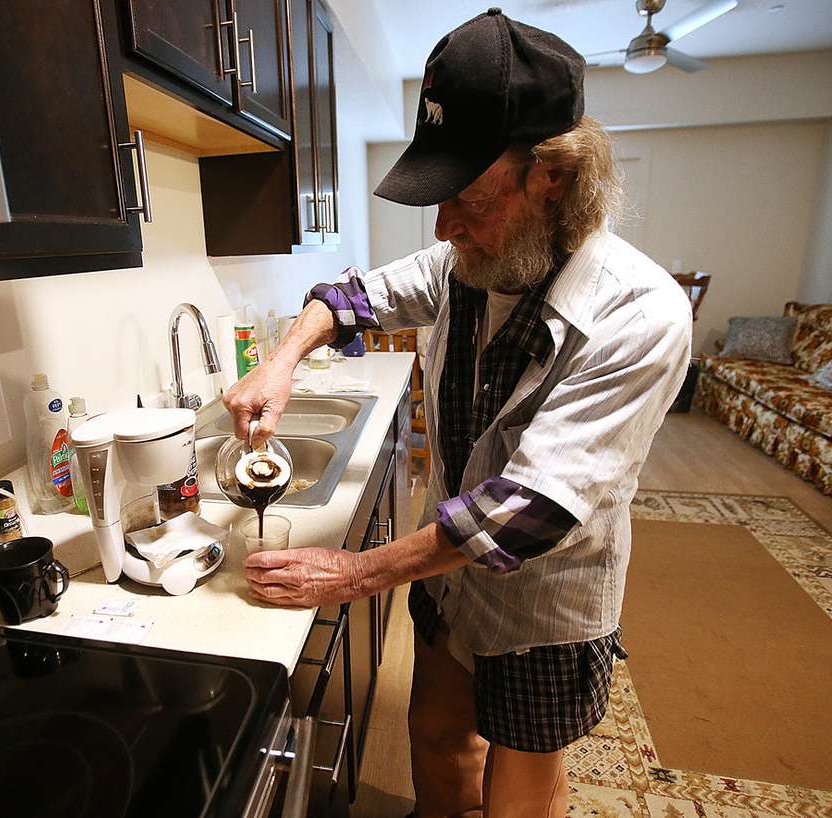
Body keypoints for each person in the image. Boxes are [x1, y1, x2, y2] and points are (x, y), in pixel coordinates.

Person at [223, 9, 692, 818]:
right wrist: (282, 358)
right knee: (437, 729)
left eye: (467, 198)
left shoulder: (640, 315)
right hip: (451, 573)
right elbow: (350, 296)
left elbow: (529, 513)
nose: (442, 228)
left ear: (552, 177)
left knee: (523, 785)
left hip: (547, 594)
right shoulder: (466, 259)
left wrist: (353, 572)